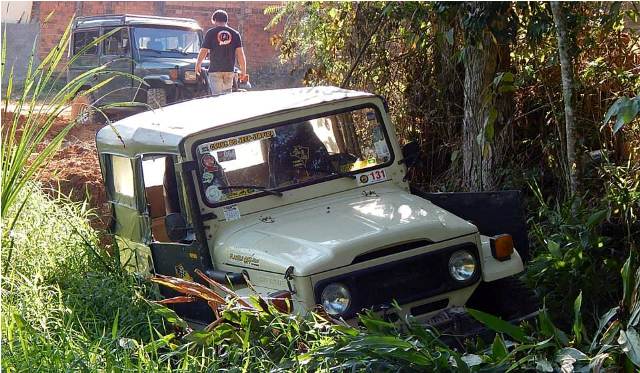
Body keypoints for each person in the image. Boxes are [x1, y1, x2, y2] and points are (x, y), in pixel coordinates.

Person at [196, 9, 247, 95]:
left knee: (216, 97)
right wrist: (243, 71)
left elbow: (204, 50)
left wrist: (198, 63)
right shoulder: (235, 34)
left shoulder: (211, 33)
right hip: (229, 70)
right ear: (226, 20)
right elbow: (240, 54)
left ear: (214, 20)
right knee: (227, 96)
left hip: (215, 70)